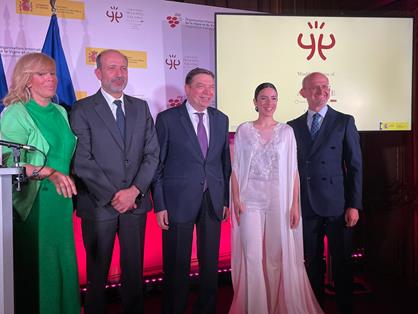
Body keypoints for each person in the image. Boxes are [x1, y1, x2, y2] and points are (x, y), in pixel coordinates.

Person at [70, 49, 159, 314]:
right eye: (111, 68)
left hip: (135, 204)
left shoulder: (140, 107)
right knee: (97, 276)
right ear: (98, 73)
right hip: (99, 206)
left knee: (134, 272)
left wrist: (134, 191)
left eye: (123, 68)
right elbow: (81, 161)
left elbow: (152, 154)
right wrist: (115, 196)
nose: (119, 74)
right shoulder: (82, 109)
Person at [228, 82, 323, 314]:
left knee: (274, 259)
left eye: (273, 98)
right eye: (263, 98)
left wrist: (294, 205)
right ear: (255, 102)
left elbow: (293, 171)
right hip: (250, 201)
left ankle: (275, 307)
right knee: (251, 255)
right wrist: (237, 198)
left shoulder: (287, 132)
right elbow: (236, 168)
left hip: (278, 200)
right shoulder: (244, 130)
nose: (269, 103)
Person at [0, 52, 80, 313]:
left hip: (61, 201)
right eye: (42, 74)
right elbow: (9, 162)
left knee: (62, 261)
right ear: (27, 80)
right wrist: (51, 173)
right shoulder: (16, 112)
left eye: (53, 73)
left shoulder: (60, 111)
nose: (51, 79)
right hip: (34, 203)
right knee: (41, 266)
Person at [152, 67, 231, 314]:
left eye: (211, 87)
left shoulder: (221, 119)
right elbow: (158, 164)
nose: (207, 92)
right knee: (177, 265)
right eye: (201, 86)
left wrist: (225, 199)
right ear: (187, 88)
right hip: (177, 202)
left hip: (212, 200)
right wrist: (160, 204)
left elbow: (224, 164)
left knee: (209, 266)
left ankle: (206, 308)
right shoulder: (167, 119)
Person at [288, 72, 363, 314]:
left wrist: (354, 205)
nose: (321, 92)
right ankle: (315, 308)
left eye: (325, 87)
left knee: (341, 263)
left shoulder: (344, 121)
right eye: (315, 88)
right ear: (303, 93)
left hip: (337, 205)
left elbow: (354, 166)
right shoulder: (292, 126)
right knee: (311, 263)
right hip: (306, 205)